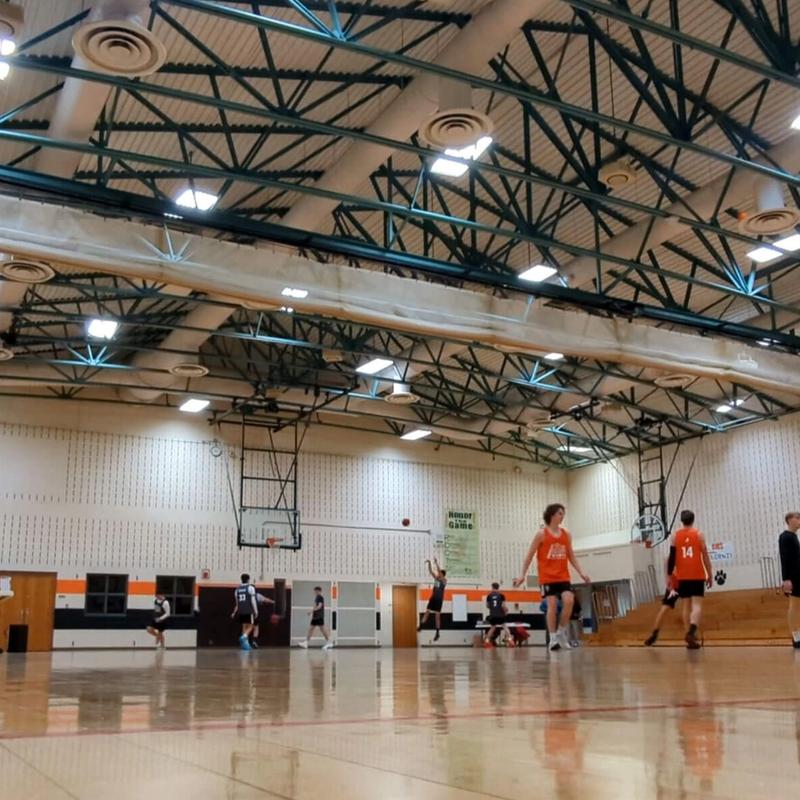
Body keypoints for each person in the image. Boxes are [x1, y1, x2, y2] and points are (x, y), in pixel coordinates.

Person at [513, 503, 590, 652]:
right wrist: (522, 574)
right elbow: (529, 556)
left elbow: (571, 556)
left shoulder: (566, 534)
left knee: (569, 601)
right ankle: (553, 638)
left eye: (563, 513)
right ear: (552, 515)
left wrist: (582, 573)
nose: (563, 516)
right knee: (552, 606)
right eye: (560, 513)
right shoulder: (541, 534)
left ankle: (561, 632)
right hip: (547, 577)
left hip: (563, 576)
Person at [669, 510, 713, 649]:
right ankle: (692, 631)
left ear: (682, 521)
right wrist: (709, 573)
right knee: (697, 605)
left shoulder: (675, 536)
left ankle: (689, 635)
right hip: (697, 574)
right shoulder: (699, 534)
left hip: (682, 575)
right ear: (693, 520)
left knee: (685, 606)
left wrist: (670, 575)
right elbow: (705, 555)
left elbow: (672, 557)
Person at [778, 511, 800, 648]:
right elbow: (784, 558)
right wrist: (786, 579)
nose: (799, 520)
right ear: (789, 520)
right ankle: (796, 636)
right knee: (794, 605)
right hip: (793, 577)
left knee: (797, 606)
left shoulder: (794, 537)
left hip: (799, 575)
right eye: (797, 518)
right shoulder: (785, 537)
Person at [644, 576, 680, 646]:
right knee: (690, 604)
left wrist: (668, 580)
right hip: (685, 579)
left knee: (665, 607)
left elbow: (667, 566)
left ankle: (654, 634)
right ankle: (691, 633)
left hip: (675, 580)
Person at [417, 558, 447, 641]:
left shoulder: (444, 581)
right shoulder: (436, 579)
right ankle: (421, 626)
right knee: (427, 612)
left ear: (442, 575)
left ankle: (437, 633)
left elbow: (439, 571)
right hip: (433, 598)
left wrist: (436, 563)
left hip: (439, 600)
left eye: (439, 574)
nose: (437, 574)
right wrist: (429, 563)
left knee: (437, 617)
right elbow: (431, 571)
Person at [231, 573, 258, 651]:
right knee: (251, 626)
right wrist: (256, 611)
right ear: (248, 579)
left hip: (241, 610)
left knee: (244, 626)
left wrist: (234, 612)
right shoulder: (250, 588)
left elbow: (237, 603)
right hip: (249, 609)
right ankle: (244, 636)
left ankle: (245, 645)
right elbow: (253, 601)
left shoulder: (237, 590)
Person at [484, 582, 512, 647]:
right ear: (498, 587)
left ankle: (487, 641)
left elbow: (487, 606)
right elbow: (503, 606)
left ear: (492, 587)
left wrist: (493, 608)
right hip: (500, 615)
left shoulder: (489, 596)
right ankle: (510, 640)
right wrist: (506, 611)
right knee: (505, 626)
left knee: (492, 628)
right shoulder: (501, 595)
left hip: (493, 615)